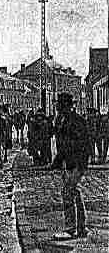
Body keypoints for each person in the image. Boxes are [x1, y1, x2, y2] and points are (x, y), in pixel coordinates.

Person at [51, 93, 90, 240]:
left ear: (65, 106)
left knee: (67, 192)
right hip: (70, 162)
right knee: (74, 192)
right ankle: (81, 227)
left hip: (76, 162)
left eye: (58, 104)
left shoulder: (76, 121)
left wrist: (78, 164)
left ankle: (70, 229)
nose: (56, 106)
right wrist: (58, 161)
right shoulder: (63, 119)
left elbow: (80, 144)